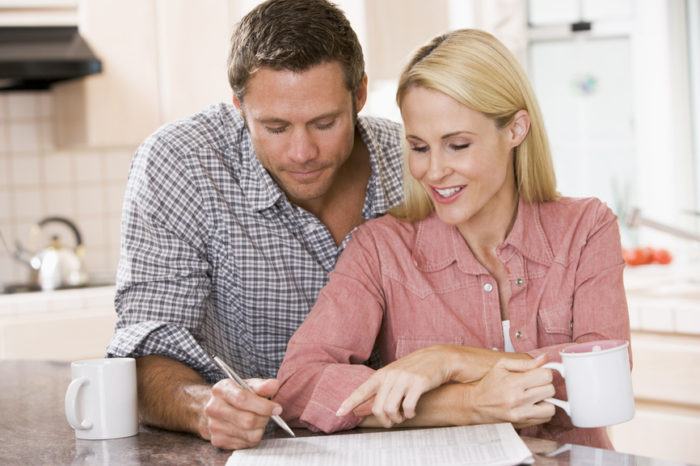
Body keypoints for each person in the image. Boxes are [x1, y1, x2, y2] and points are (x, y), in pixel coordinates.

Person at [274, 28, 630, 449]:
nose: (434, 170)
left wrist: (449, 360)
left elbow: (606, 379)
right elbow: (298, 385)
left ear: (515, 129)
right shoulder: (381, 249)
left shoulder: (585, 228)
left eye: (457, 145)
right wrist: (465, 402)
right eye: (419, 147)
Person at [105, 0, 403, 450]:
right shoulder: (181, 163)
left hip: (404, 442)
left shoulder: (414, 162)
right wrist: (204, 407)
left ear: (359, 95)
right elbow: (145, 347)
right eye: (275, 126)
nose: (302, 152)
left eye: (325, 123)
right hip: (254, 451)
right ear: (240, 106)